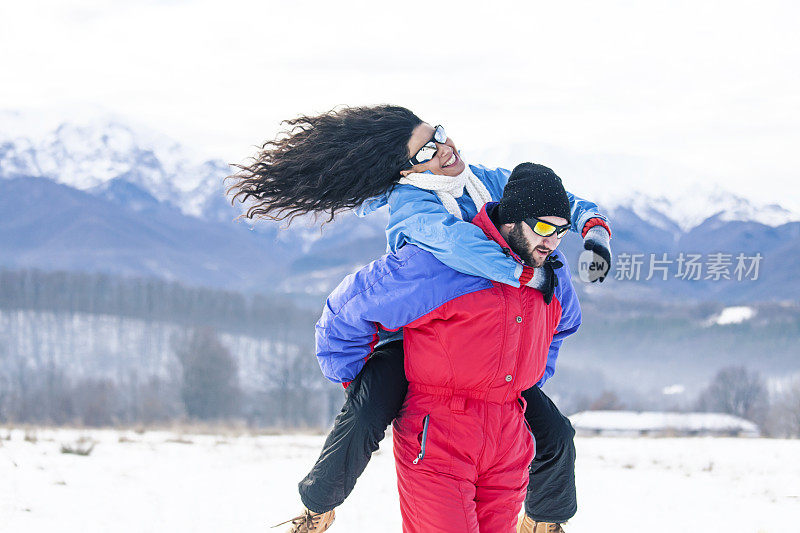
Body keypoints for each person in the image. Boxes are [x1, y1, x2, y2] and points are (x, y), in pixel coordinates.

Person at [227, 106, 612, 532]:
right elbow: (451, 248)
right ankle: (318, 507)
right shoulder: (419, 212)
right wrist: (355, 375)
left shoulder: (480, 180)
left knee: (556, 433)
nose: (445, 148)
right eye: (427, 149)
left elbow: (552, 201)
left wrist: (592, 226)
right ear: (405, 171)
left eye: (440, 134)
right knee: (366, 412)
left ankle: (545, 521)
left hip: (491, 384)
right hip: (417, 341)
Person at [309, 162, 582, 532]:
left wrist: (528, 373)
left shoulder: (548, 274)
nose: (551, 241)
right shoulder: (442, 262)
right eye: (544, 228)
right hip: (439, 434)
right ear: (512, 218)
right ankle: (316, 506)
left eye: (562, 232)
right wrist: (355, 379)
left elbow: (561, 326)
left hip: (507, 439)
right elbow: (347, 310)